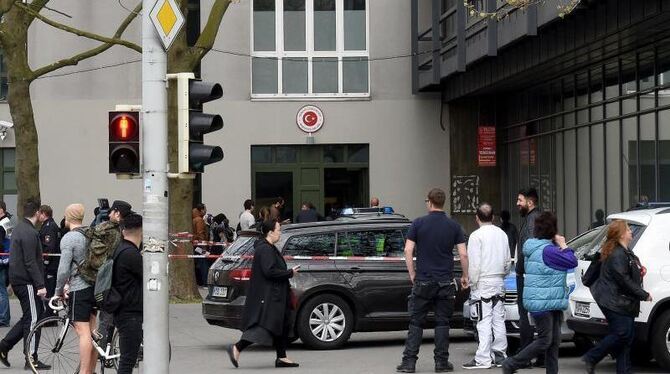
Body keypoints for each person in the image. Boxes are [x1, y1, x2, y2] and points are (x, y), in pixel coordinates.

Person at [396, 188, 469, 373]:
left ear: (429, 202)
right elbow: (463, 253)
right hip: (445, 281)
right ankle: (441, 363)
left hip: (423, 280)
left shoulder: (418, 223)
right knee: (443, 322)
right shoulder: (454, 226)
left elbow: (407, 250)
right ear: (443, 202)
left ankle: (409, 363)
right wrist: (465, 276)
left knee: (416, 322)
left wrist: (412, 273)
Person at [502, 212, 577, 374]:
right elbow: (572, 261)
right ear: (552, 230)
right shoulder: (549, 250)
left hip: (550, 300)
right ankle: (512, 363)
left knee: (554, 342)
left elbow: (520, 270)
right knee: (545, 340)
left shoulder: (532, 248)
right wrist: (564, 245)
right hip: (544, 302)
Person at [227, 219, 300, 369]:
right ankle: (237, 347)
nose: (280, 232)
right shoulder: (265, 249)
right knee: (264, 326)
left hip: (276, 294)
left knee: (282, 323)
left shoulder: (269, 247)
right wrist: (289, 273)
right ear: (270, 232)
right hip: (270, 296)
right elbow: (269, 271)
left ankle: (282, 357)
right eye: (278, 229)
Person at [581, 220, 652, 374]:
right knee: (623, 334)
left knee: (626, 339)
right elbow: (623, 279)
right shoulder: (617, 253)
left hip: (621, 301)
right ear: (620, 234)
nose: (630, 232)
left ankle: (623, 371)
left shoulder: (623, 251)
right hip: (615, 301)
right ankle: (592, 357)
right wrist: (643, 295)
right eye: (628, 229)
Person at [0, 199, 50, 370]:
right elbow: (30, 262)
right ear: (37, 212)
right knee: (34, 318)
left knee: (30, 316)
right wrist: (40, 284)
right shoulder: (29, 232)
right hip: (26, 281)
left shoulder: (20, 229)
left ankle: (4, 346)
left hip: (20, 279)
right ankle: (31, 357)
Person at [463, 203, 511, 369]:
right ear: (493, 217)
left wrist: (472, 283)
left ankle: (483, 358)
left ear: (477, 218)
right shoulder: (502, 234)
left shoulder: (476, 236)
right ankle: (500, 355)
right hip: (499, 281)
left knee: (483, 321)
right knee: (499, 320)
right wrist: (502, 276)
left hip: (482, 282)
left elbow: (474, 264)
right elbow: (507, 262)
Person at [54, 204, 98, 374]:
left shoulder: (69, 238)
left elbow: (63, 269)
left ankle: (84, 372)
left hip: (80, 288)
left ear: (68, 217)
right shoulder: (90, 234)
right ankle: (92, 369)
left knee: (82, 331)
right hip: (95, 287)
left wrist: (58, 290)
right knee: (93, 331)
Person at [112, 213, 144, 374]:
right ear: (142, 231)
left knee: (127, 359)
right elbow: (147, 278)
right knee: (127, 361)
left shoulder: (121, 249)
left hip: (122, 310)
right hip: (130, 312)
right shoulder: (132, 254)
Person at [515, 187, 541, 362]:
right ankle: (538, 355)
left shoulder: (532, 221)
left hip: (528, 275)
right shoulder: (535, 218)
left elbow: (529, 249)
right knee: (537, 315)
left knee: (526, 315)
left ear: (530, 202)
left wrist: (522, 270)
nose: (517, 204)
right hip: (531, 274)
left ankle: (524, 354)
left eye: (520, 200)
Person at [38, 205, 61, 318]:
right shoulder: (50, 225)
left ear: (43, 213)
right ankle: (51, 315)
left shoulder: (49, 227)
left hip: (50, 265)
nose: (38, 216)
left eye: (39, 214)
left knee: (49, 290)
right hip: (53, 264)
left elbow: (49, 247)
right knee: (50, 290)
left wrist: (45, 262)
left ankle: (49, 316)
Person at [0, 201, 13, 326]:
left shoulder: (2, 224)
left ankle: (3, 318)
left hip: (2, 259)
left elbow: (2, 243)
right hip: (5, 259)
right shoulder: (7, 222)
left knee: (1, 291)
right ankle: (3, 317)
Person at [192, 203, 209, 286]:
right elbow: (200, 233)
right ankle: (205, 282)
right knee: (203, 263)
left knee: (199, 263)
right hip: (200, 245)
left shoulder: (194, 219)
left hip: (195, 244)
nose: (206, 211)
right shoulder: (199, 220)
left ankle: (200, 281)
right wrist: (204, 246)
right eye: (205, 209)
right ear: (201, 210)